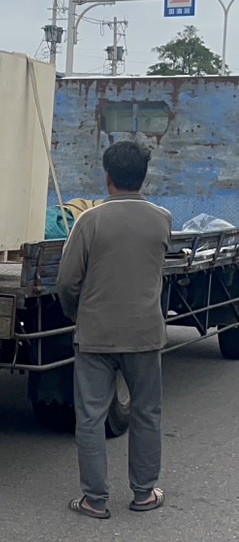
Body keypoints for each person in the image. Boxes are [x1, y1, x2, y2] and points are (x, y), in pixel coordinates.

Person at [57, 140, 172, 520]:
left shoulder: (89, 221)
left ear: (107, 177)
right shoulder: (162, 219)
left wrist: (77, 314)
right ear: (143, 177)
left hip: (96, 334)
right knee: (147, 413)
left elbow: (67, 281)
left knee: (90, 417)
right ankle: (144, 493)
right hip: (144, 334)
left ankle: (94, 499)